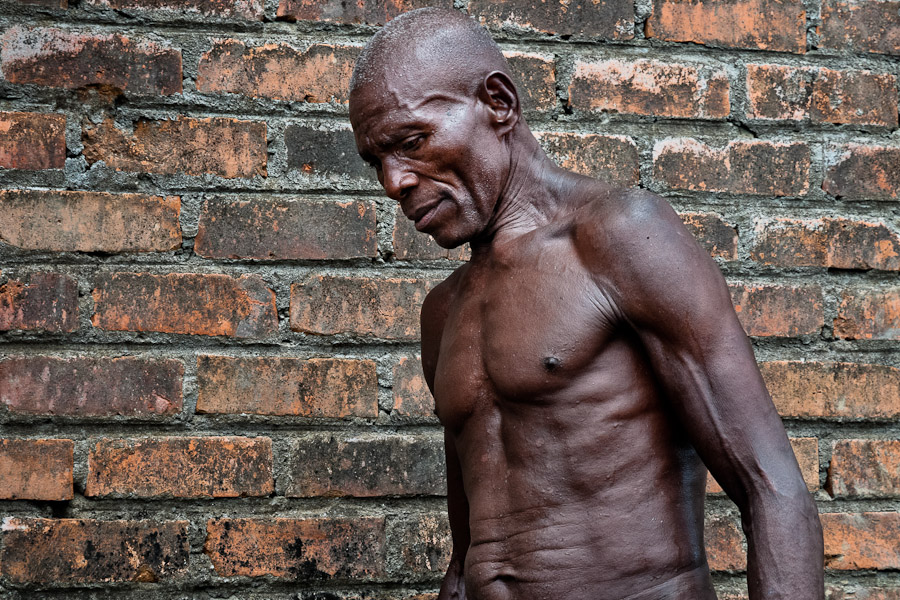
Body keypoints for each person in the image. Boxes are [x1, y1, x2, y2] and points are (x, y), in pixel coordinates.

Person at [348, 8, 824, 599]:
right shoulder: (443, 312)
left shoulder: (620, 238)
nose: (394, 181)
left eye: (411, 142)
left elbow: (770, 488)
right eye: (377, 162)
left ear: (498, 102)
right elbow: (468, 552)